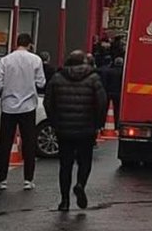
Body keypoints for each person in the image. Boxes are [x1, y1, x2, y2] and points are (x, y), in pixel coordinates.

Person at [45, 50, 107, 211]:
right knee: (84, 162)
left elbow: (48, 102)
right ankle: (80, 184)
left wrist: (54, 122)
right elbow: (102, 102)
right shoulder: (93, 78)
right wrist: (98, 123)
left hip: (64, 129)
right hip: (86, 129)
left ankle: (64, 200)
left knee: (65, 165)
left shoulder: (57, 78)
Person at [0, 33, 45, 191]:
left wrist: (8, 89)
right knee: (28, 143)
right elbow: (41, 82)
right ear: (30, 44)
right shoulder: (36, 60)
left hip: (8, 106)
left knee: (5, 144)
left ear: (16, 43)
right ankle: (28, 179)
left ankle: (1, 180)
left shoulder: (5, 60)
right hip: (28, 106)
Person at [99, 57, 124, 125]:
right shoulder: (123, 73)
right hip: (119, 94)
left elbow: (105, 82)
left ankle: (103, 122)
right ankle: (116, 123)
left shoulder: (109, 71)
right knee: (117, 109)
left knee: (106, 109)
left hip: (109, 93)